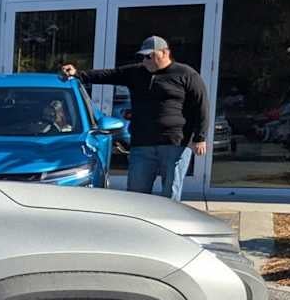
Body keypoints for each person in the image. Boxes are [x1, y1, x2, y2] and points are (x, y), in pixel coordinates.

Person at [60, 37, 207, 201]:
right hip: (142, 143)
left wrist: (200, 137)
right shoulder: (136, 72)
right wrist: (78, 74)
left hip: (174, 142)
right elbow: (109, 75)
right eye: (143, 57)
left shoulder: (186, 74)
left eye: (150, 56)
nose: (146, 60)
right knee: (137, 195)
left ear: (165, 53)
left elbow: (201, 106)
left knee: (170, 194)